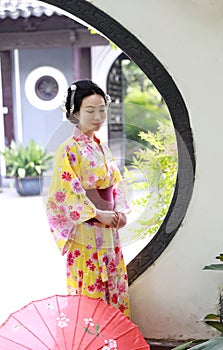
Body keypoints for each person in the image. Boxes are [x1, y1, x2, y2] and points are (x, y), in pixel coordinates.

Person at [46, 79, 130, 317]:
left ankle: (115, 339)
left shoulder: (101, 146)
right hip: (87, 229)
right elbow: (63, 192)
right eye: (90, 111)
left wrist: (120, 211)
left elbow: (114, 183)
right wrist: (96, 213)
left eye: (102, 110)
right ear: (75, 113)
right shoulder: (68, 149)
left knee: (113, 284)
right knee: (90, 288)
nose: (98, 116)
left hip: (108, 228)